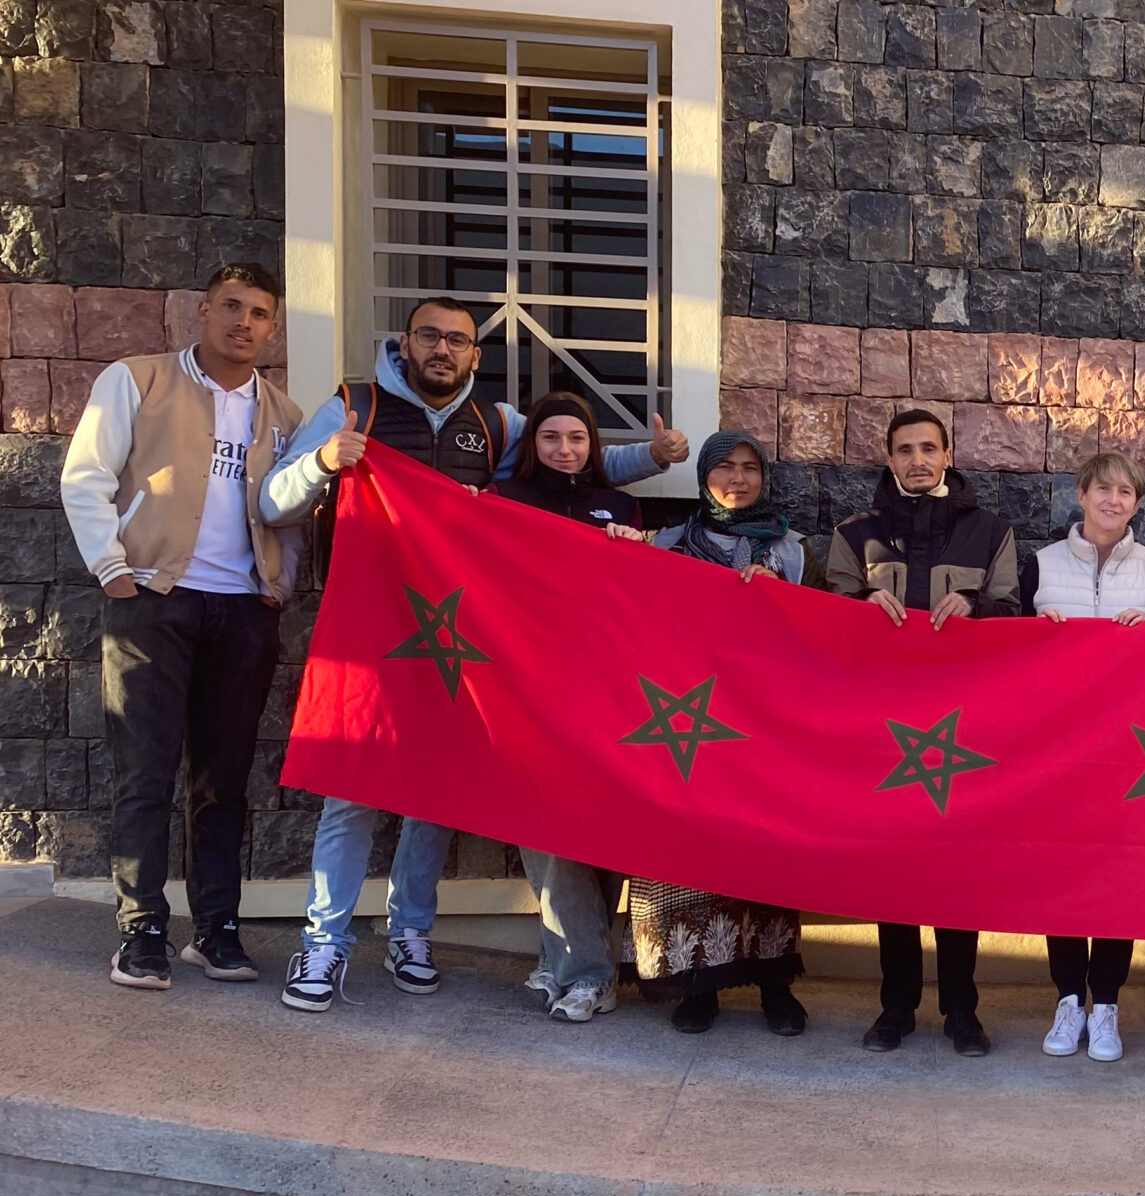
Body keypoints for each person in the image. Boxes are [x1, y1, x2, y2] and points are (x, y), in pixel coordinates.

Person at [259, 297, 686, 1018]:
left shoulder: (497, 424)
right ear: (403, 343)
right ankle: (324, 941)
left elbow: (572, 457)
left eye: (457, 340)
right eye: (430, 336)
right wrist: (324, 464)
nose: (443, 349)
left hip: (458, 638)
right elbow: (274, 503)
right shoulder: (352, 407)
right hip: (369, 626)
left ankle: (410, 933)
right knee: (351, 786)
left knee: (435, 793)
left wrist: (655, 457)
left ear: (474, 355)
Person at [61, 263, 303, 991]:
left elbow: (292, 513)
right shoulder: (137, 379)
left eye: (258, 313)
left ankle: (217, 930)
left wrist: (278, 587)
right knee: (144, 771)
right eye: (231, 306)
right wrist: (113, 570)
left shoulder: (284, 414)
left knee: (223, 780)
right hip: (153, 599)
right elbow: (85, 475)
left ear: (272, 328)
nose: (243, 323)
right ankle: (141, 932)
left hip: (242, 610)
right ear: (202, 311)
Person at [828, 408, 1023, 1056]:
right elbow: (824, 618)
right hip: (882, 727)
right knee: (893, 870)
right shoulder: (854, 534)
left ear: (947, 455)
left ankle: (962, 1011)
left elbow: (1013, 613)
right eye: (905, 450)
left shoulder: (991, 532)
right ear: (889, 459)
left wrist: (977, 606)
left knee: (958, 872)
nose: (917, 460)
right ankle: (896, 1007)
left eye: (928, 448)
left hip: (964, 727)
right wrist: (860, 606)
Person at [614, 432, 814, 1037]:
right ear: (703, 476)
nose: (738, 478)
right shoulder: (668, 545)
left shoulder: (792, 553)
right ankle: (695, 985)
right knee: (685, 851)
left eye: (750, 467)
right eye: (724, 467)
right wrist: (616, 552)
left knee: (763, 850)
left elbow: (820, 640)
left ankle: (775, 984)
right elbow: (631, 613)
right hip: (682, 721)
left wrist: (783, 605)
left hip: (762, 724)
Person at [1026, 451, 1145, 1062]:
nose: (1113, 501)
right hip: (1059, 749)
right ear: (1081, 494)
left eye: (1125, 492)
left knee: (1118, 878)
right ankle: (1068, 1001)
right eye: (1103, 489)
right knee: (1061, 874)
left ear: (1137, 504)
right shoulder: (1041, 564)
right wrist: (1038, 630)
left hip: (1130, 752)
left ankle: (1107, 1005)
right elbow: (1006, 652)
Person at [488, 391, 644, 535]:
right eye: (550, 437)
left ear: (591, 445)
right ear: (533, 443)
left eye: (576, 438)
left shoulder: (623, 507)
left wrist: (632, 544)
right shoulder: (500, 498)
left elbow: (636, 557)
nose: (564, 450)